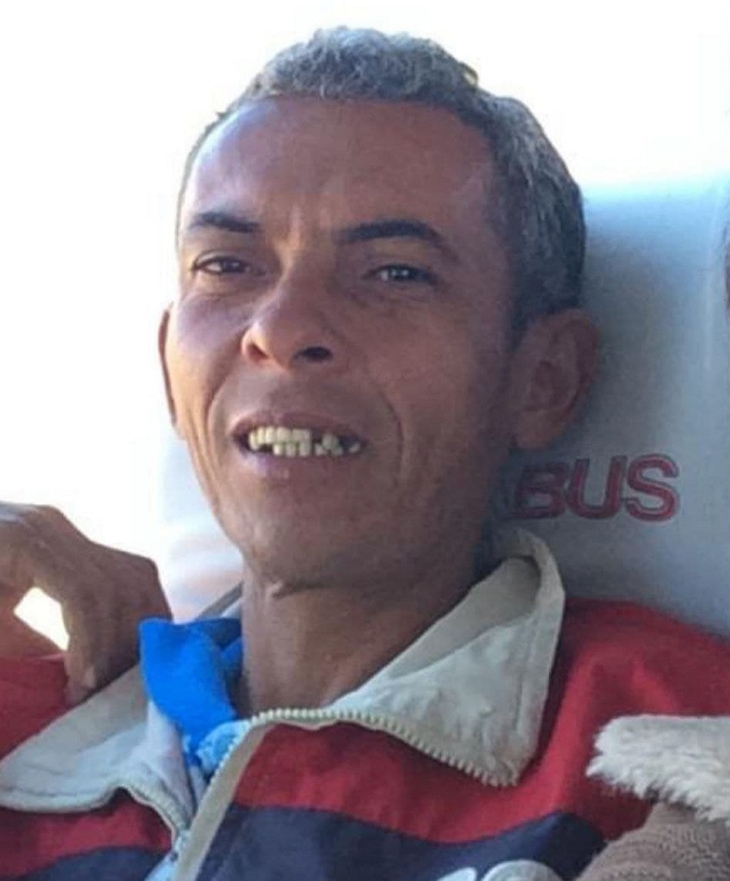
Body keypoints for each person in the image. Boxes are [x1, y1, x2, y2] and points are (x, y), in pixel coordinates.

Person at [2, 27, 730, 881]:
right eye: (227, 264)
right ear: (170, 366)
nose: (279, 329)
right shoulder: (31, 731)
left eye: (394, 273)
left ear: (544, 379)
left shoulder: (672, 740)